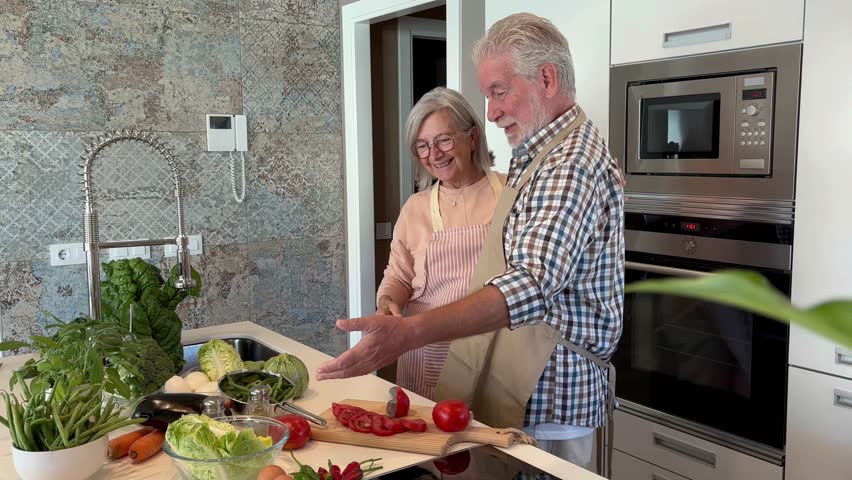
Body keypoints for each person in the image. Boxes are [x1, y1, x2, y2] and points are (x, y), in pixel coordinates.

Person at [318, 12, 625, 472]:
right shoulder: (543, 156)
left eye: (499, 92)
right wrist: (397, 318)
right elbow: (400, 276)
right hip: (517, 381)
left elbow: (530, 284)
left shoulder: (568, 165)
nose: (493, 110)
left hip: (553, 395)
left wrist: (410, 333)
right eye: (487, 96)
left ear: (546, 78)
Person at [375, 87, 506, 401]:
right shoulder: (415, 208)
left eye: (444, 140)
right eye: (422, 145)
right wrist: (387, 303)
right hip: (426, 356)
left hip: (495, 360)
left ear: (473, 137)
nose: (434, 154)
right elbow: (398, 276)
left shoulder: (513, 193)